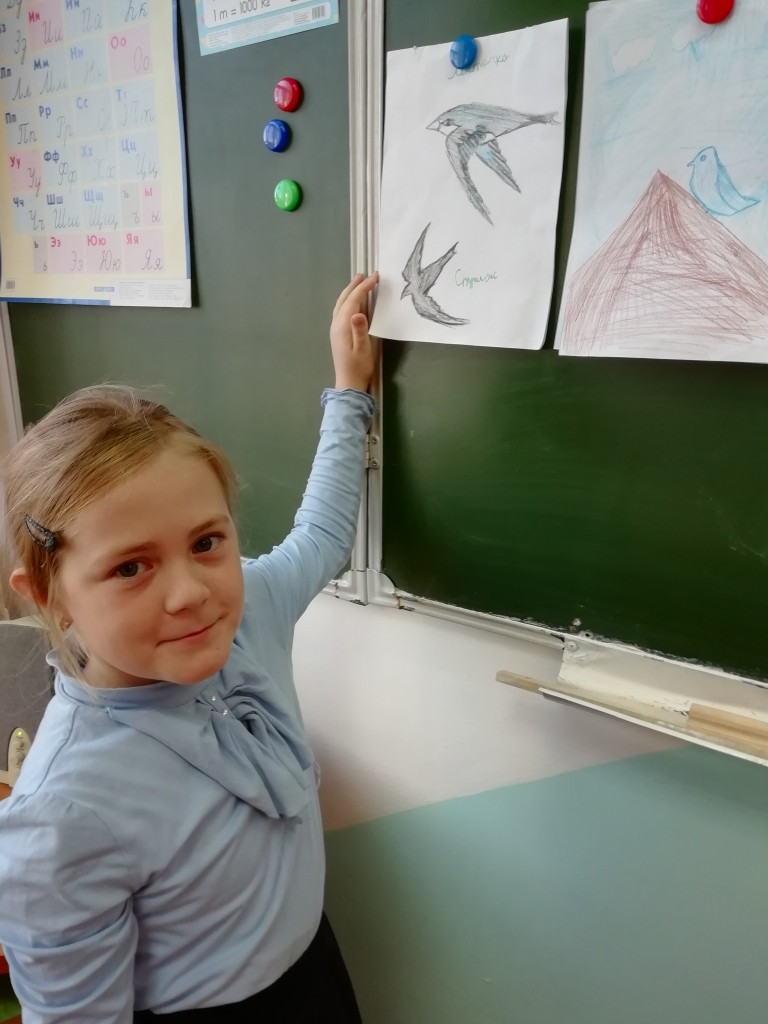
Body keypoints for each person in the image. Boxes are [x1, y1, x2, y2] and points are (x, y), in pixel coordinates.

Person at [0, 272, 379, 1024]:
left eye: (206, 542)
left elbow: (322, 533)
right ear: (48, 594)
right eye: (130, 568)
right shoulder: (63, 813)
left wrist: (349, 392)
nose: (190, 593)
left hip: (314, 971)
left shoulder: (248, 610)